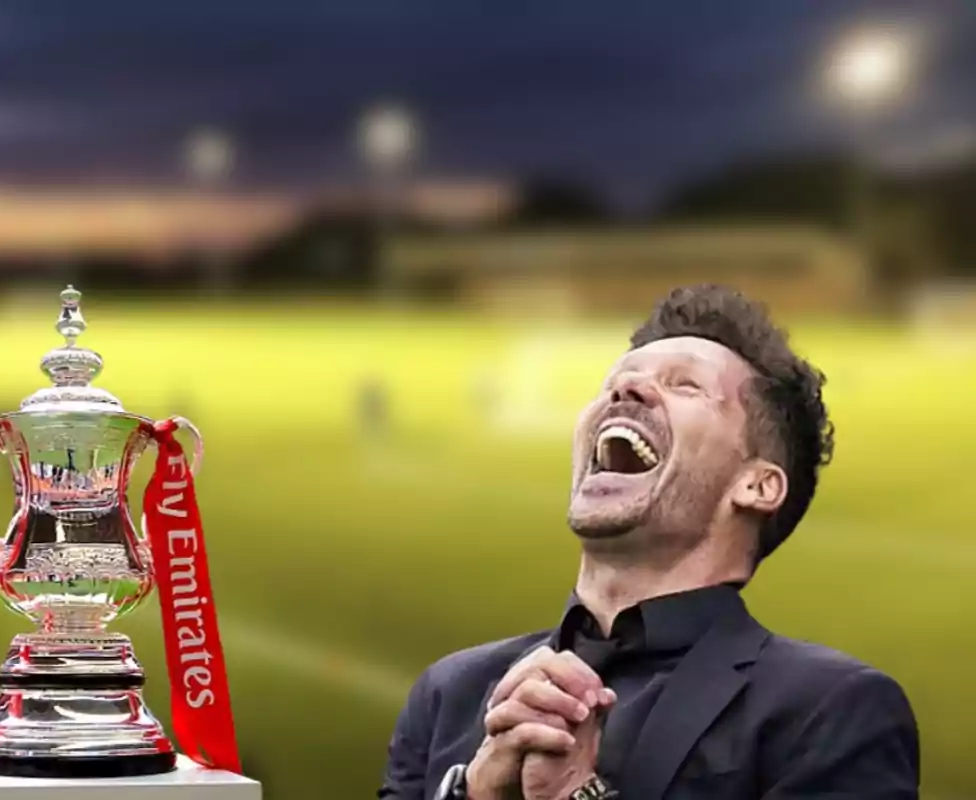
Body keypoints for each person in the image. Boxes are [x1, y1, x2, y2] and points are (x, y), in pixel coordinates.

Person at [378, 285, 919, 800]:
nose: (624, 389)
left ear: (756, 485)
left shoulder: (829, 710)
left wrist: (576, 793)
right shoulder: (448, 694)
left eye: (685, 384)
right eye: (617, 379)